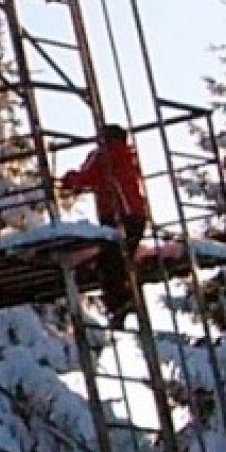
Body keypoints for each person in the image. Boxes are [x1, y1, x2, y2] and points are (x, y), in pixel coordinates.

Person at [60, 124, 149, 328]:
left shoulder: (104, 156)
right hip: (136, 214)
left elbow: (86, 177)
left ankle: (120, 303)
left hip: (118, 216)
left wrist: (68, 181)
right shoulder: (127, 155)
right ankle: (122, 302)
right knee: (118, 262)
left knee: (110, 263)